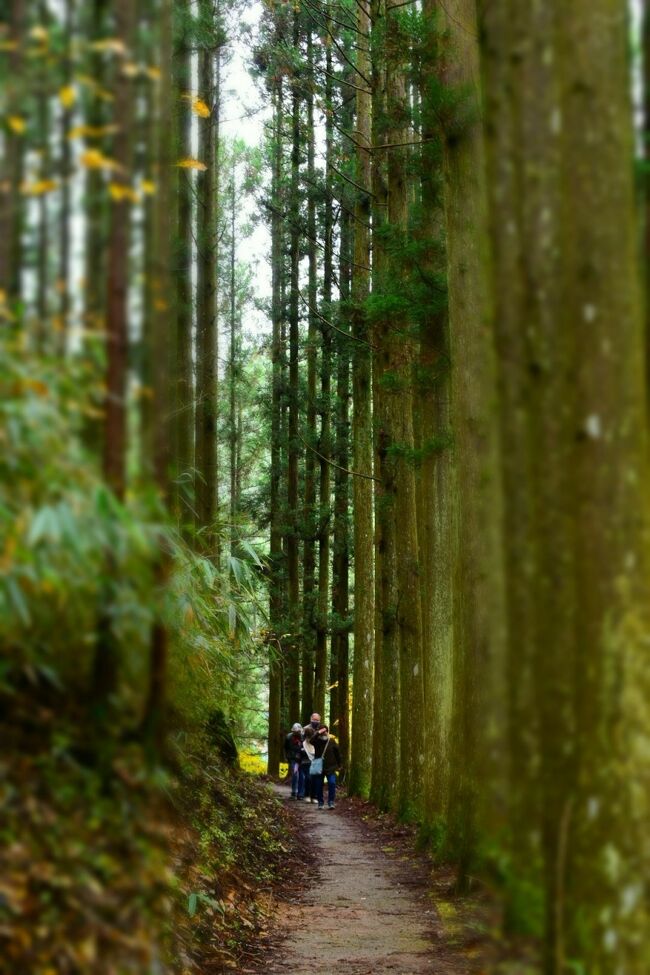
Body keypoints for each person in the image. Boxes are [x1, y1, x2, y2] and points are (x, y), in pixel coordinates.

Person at [312, 725, 341, 810]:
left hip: (331, 767)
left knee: (332, 783)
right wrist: (318, 732)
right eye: (322, 731)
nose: (324, 733)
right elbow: (310, 740)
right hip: (319, 767)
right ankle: (320, 802)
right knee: (319, 785)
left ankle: (331, 802)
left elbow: (337, 753)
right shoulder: (316, 741)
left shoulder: (332, 741)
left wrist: (339, 765)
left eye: (325, 731)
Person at [284, 722, 303, 799]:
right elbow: (285, 748)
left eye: (298, 731)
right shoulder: (288, 737)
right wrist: (286, 757)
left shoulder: (303, 737)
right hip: (293, 759)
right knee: (295, 775)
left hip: (302, 759)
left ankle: (300, 794)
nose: (297, 733)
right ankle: (294, 792)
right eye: (295, 731)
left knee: (302, 776)